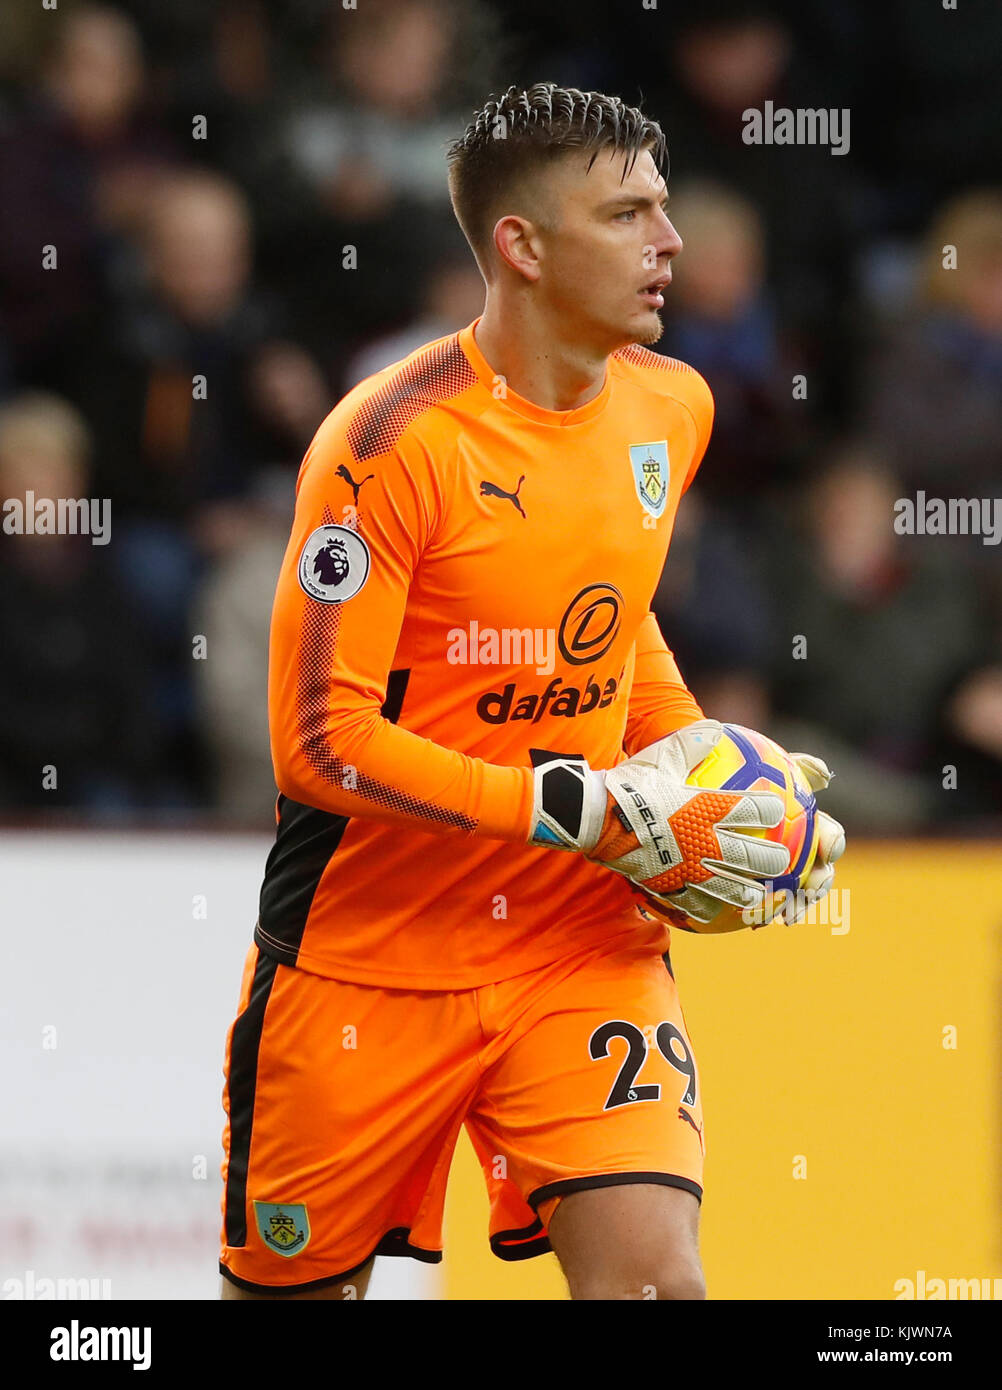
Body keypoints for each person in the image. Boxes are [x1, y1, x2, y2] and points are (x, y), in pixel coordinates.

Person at [218, 82, 844, 1301]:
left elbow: (607, 624)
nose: (673, 244)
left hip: (577, 937)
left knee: (657, 1285)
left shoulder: (674, 404)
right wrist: (586, 809)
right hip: (366, 961)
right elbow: (320, 746)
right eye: (629, 216)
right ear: (523, 245)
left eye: (665, 208)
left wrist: (704, 762)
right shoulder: (389, 445)